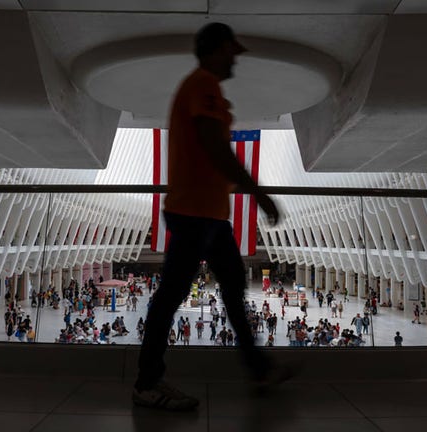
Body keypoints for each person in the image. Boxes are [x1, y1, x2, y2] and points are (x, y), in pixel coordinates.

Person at [134, 23, 289, 411]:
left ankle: (257, 369)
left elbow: (214, 148)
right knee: (171, 296)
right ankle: (147, 383)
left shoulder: (209, 89)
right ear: (215, 50)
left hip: (210, 215)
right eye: (231, 50)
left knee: (234, 290)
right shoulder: (202, 86)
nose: (236, 57)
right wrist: (257, 193)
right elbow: (213, 147)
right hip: (192, 212)